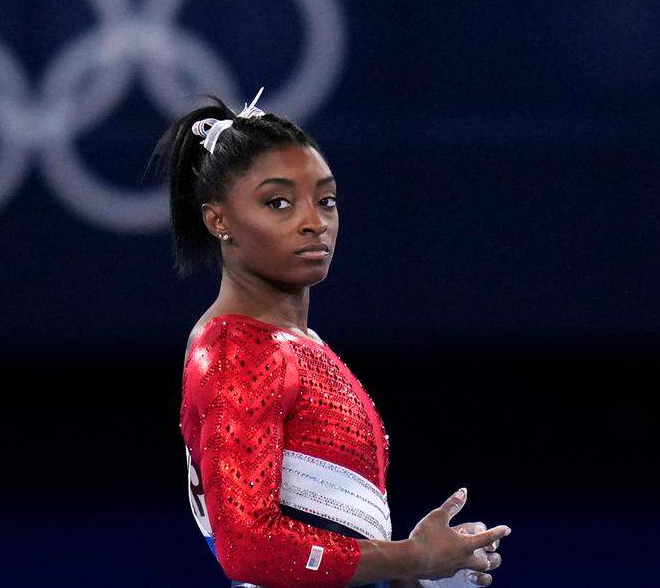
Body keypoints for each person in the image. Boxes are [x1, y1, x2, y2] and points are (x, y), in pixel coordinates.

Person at [151, 88, 511, 588]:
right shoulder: (238, 350)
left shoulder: (297, 343)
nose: (313, 222)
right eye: (278, 202)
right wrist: (411, 559)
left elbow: (320, 533)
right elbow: (249, 548)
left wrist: (422, 573)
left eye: (326, 200)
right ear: (219, 220)